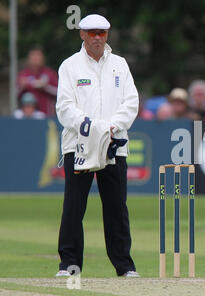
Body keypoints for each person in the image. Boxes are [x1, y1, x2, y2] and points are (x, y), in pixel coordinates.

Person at [55, 14, 139, 278]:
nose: (97, 37)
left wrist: (110, 128)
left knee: (116, 207)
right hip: (79, 145)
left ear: (107, 35)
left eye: (101, 33)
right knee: (74, 206)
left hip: (113, 145)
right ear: (82, 34)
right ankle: (69, 265)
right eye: (91, 32)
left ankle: (124, 266)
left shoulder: (119, 64)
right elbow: (64, 108)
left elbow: (131, 103)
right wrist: (91, 127)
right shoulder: (70, 66)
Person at [17, 48, 58, 116]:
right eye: (33, 56)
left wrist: (45, 87)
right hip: (27, 117)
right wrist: (22, 86)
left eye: (38, 56)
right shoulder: (23, 74)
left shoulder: (50, 73)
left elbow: (59, 92)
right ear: (29, 59)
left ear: (43, 58)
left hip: (47, 115)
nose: (35, 59)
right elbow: (15, 94)